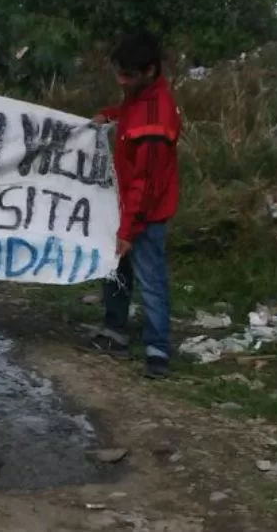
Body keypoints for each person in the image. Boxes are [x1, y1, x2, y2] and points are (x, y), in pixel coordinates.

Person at [90, 31, 182, 380]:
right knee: (115, 269)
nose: (121, 80)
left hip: (145, 214)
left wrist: (129, 230)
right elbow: (128, 116)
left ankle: (158, 349)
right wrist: (108, 115)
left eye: (127, 75)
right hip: (124, 204)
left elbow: (146, 184)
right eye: (118, 72)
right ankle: (114, 331)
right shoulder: (140, 97)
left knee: (150, 278)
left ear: (149, 70)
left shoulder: (156, 118)